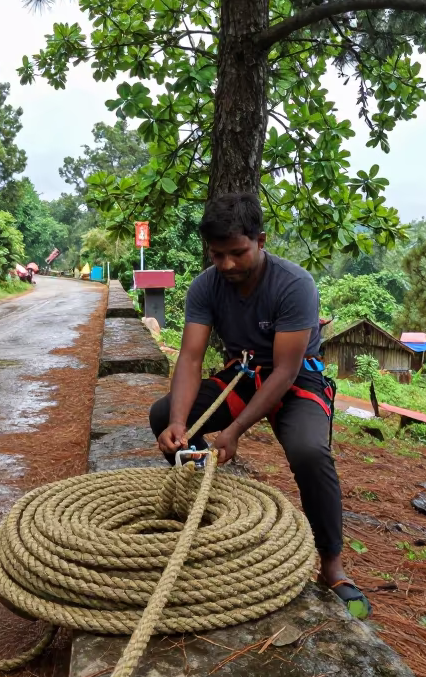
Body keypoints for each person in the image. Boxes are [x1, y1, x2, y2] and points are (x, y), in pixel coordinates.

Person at [149, 194, 369, 619]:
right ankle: (200, 511)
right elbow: (191, 358)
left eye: (238, 253)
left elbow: (286, 369)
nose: (228, 265)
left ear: (261, 240)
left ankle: (332, 564)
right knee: (163, 416)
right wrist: (179, 422)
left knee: (309, 452)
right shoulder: (205, 286)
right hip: (243, 374)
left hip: (295, 378)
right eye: (218, 255)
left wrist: (233, 432)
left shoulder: (293, 284)